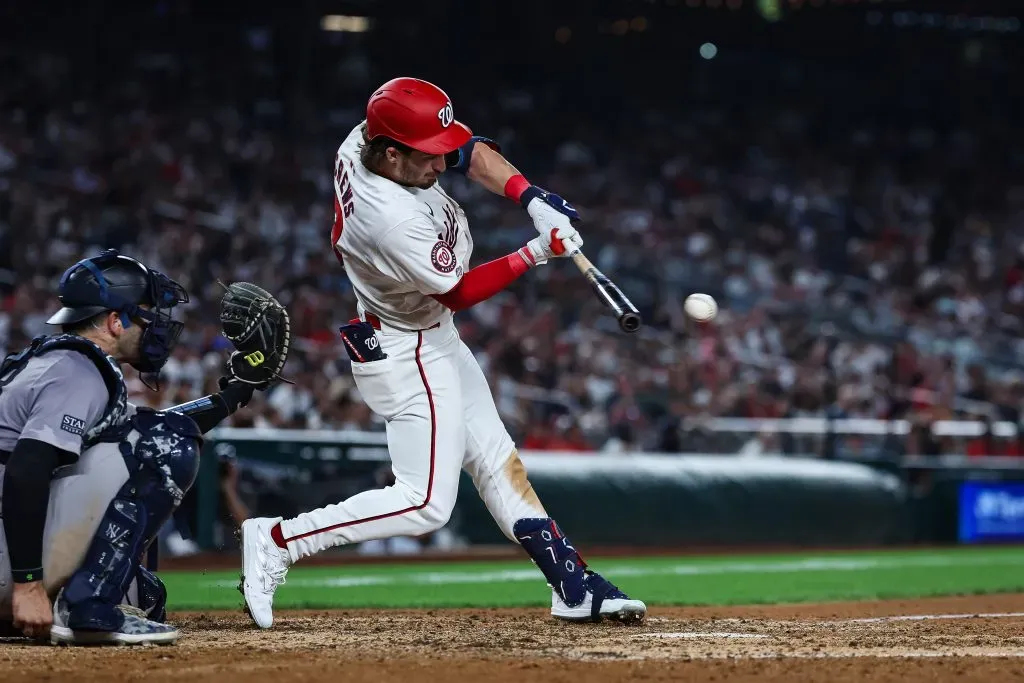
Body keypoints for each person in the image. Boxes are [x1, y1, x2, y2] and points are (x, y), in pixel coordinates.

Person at [239, 77, 647, 628]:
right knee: (425, 502)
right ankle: (277, 539)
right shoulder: (389, 218)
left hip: (430, 333)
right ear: (389, 153)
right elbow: (456, 291)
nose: (440, 164)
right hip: (406, 348)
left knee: (497, 460)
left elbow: (469, 151)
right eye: (427, 155)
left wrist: (530, 197)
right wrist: (536, 251)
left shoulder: (368, 139)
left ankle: (573, 586)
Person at [0, 249, 269, 645]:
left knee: (144, 595)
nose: (157, 327)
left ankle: (64, 603)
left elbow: (143, 428)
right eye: (147, 315)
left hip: (7, 540)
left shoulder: (63, 362)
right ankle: (87, 606)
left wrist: (233, 395)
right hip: (9, 559)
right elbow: (27, 468)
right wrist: (27, 586)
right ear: (114, 322)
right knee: (164, 445)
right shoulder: (77, 369)